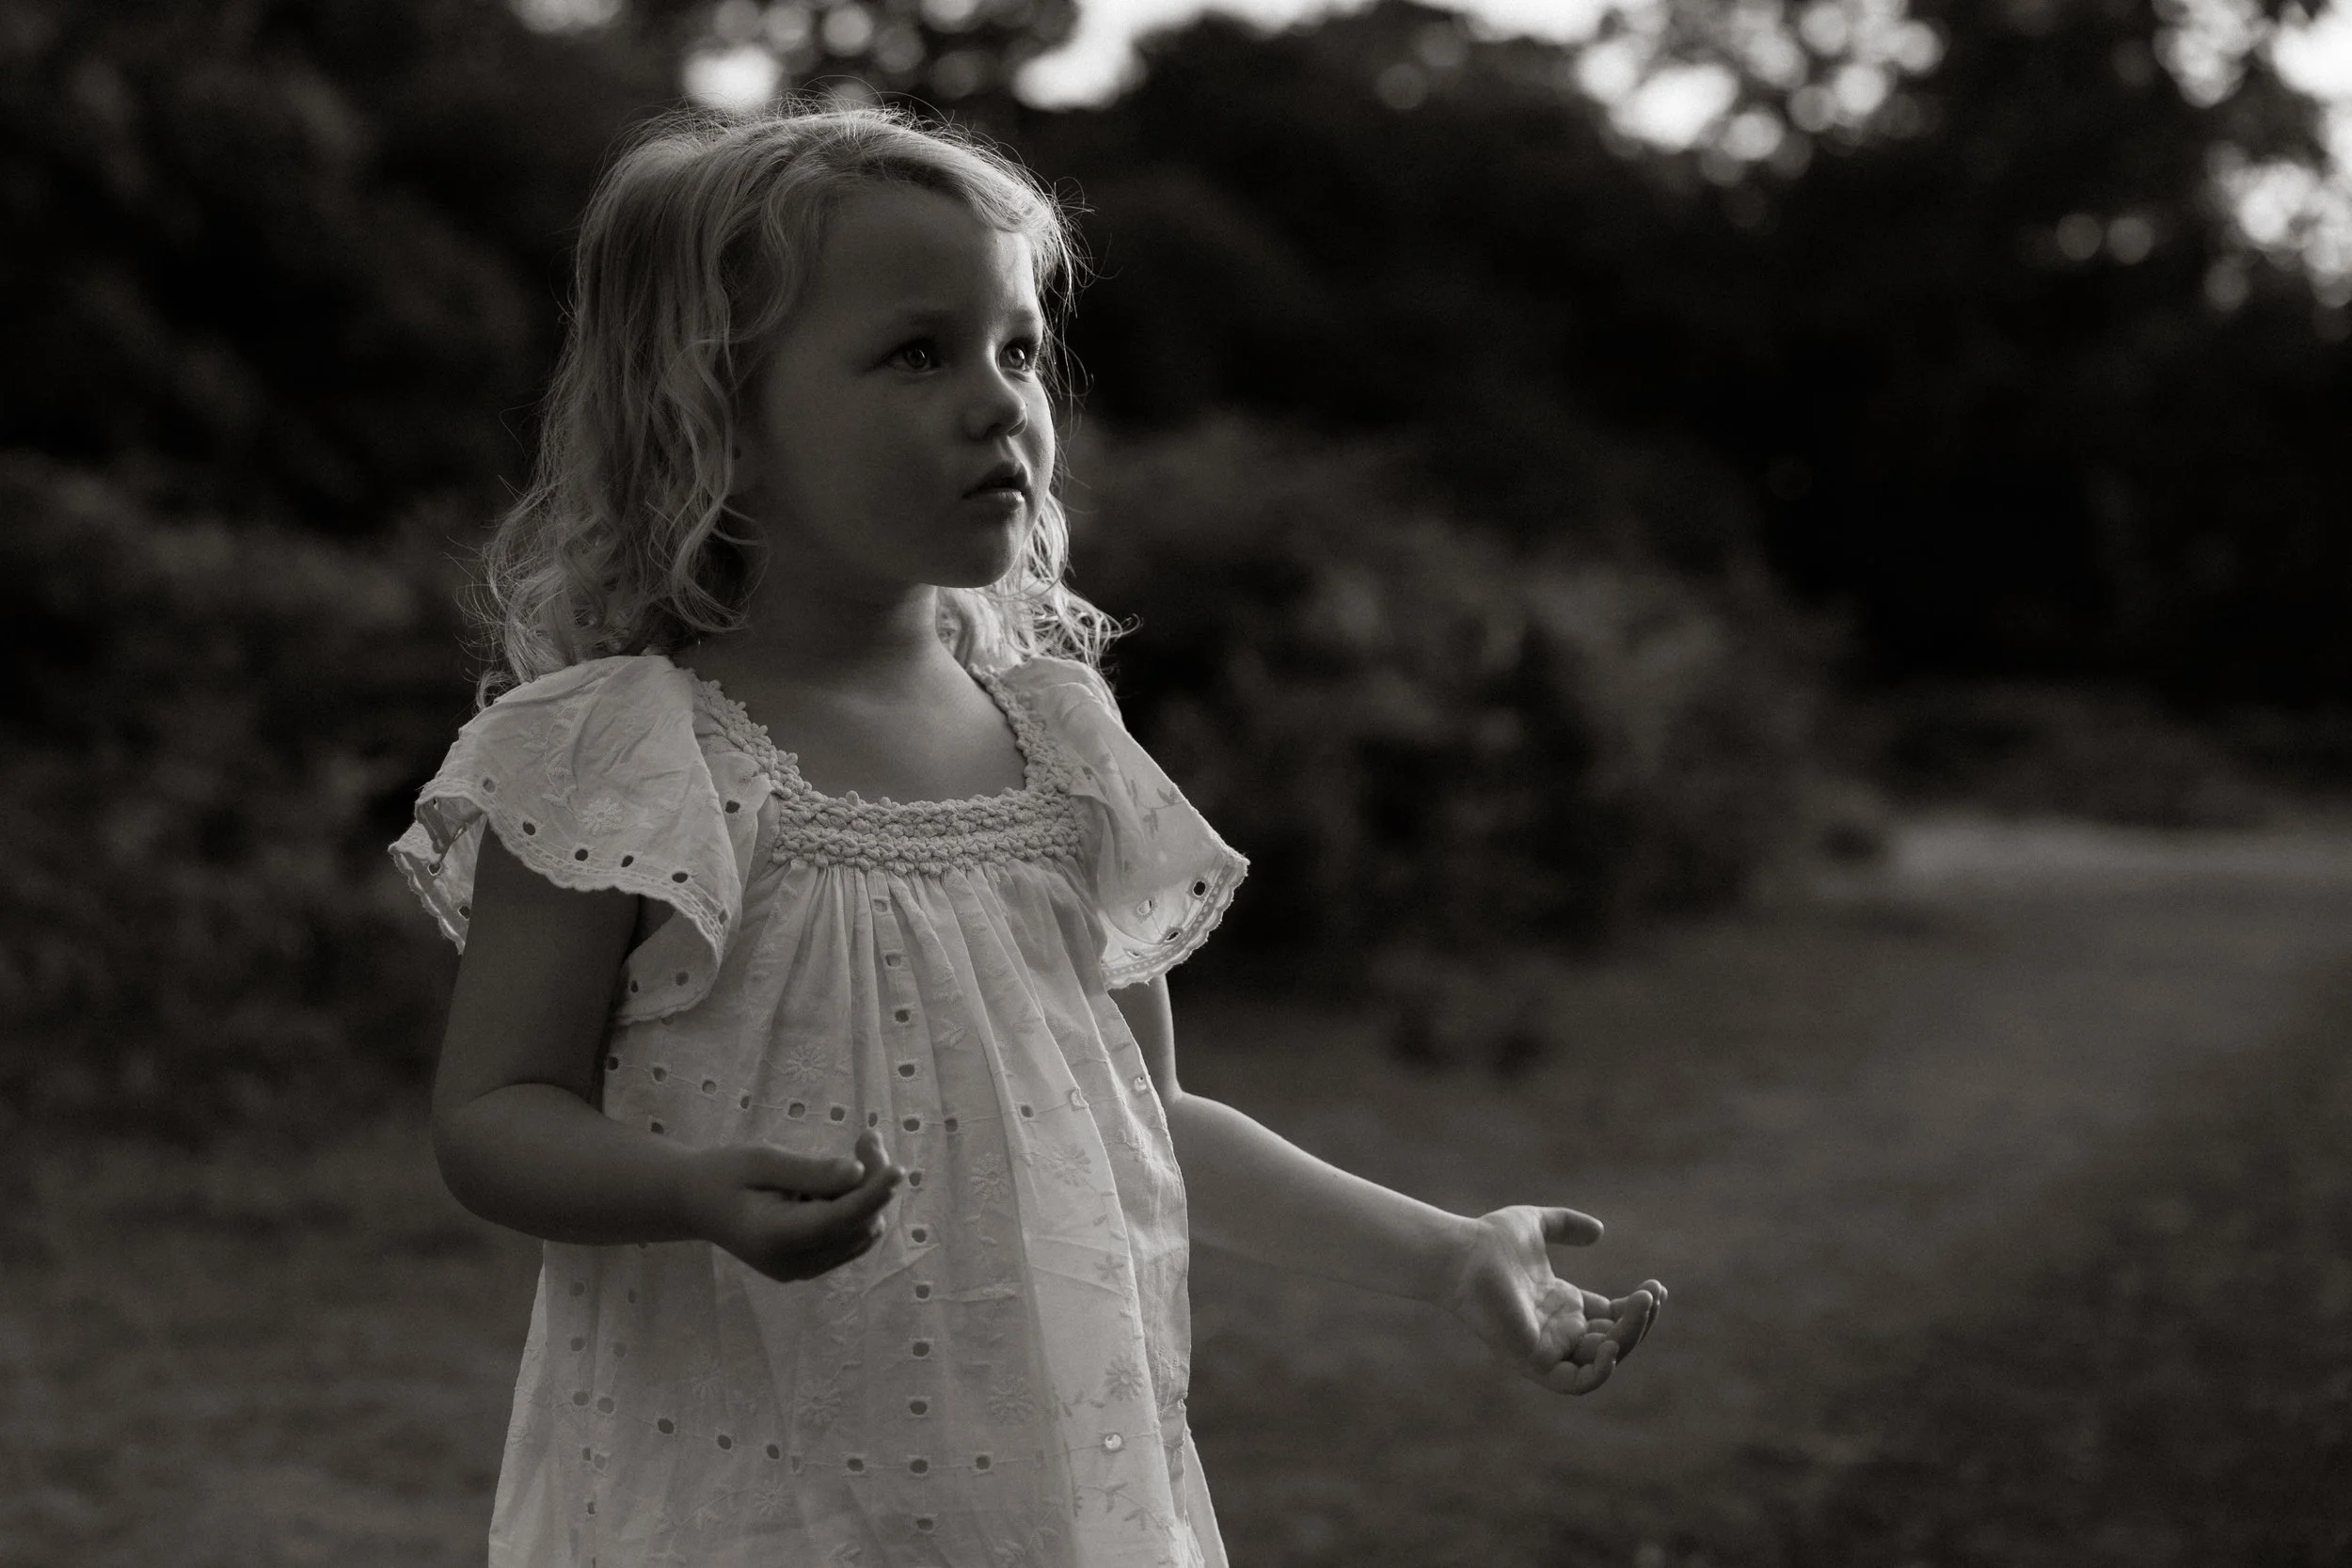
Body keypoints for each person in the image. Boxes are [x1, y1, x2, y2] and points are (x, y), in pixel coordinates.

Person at [391, 103, 1664, 1567]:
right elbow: (494, 1117)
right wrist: (685, 1188)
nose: (1003, 401)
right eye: (917, 352)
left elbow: (1146, 1119)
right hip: (738, 1497)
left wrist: (1447, 1251)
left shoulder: (1061, 740)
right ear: (715, 420)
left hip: (1047, 1492)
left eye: (1014, 346)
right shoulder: (620, 753)